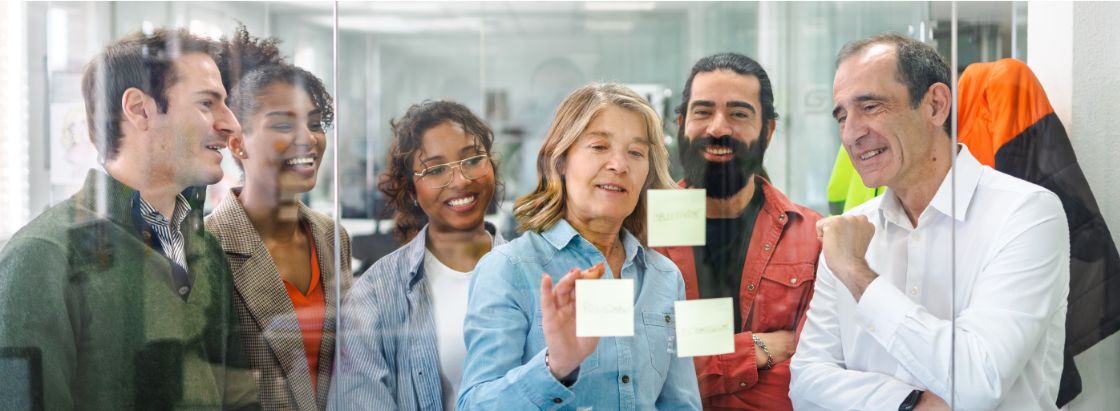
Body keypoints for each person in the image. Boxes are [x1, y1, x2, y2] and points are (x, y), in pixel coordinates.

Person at [790, 33, 1069, 411]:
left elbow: (977, 380)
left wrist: (858, 275)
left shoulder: (1026, 213)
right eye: (842, 116)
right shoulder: (851, 228)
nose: (851, 133)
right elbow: (805, 382)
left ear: (936, 105)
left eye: (869, 106)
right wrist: (909, 403)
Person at [0, 28, 258, 409]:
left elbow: (237, 395)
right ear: (139, 109)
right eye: (207, 103)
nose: (231, 124)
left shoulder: (204, 248)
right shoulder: (41, 256)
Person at [457, 83, 701, 410]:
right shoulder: (509, 269)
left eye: (636, 152)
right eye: (599, 146)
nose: (619, 165)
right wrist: (554, 367)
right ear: (560, 159)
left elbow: (680, 404)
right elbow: (475, 405)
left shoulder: (665, 277)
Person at [652, 53, 822, 410]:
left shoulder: (811, 238)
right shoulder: (642, 234)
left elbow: (812, 377)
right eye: (702, 112)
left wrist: (692, 363)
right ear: (681, 123)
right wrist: (757, 350)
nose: (718, 128)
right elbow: (637, 371)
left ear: (768, 130)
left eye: (739, 114)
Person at [205, 27, 350, 410]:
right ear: (237, 142)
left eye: (315, 123)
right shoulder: (206, 248)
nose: (308, 138)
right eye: (284, 125)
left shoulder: (332, 236)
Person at [330, 100, 505, 410]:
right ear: (411, 190)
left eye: (472, 159)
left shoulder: (535, 270)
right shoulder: (376, 293)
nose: (461, 180)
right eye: (436, 169)